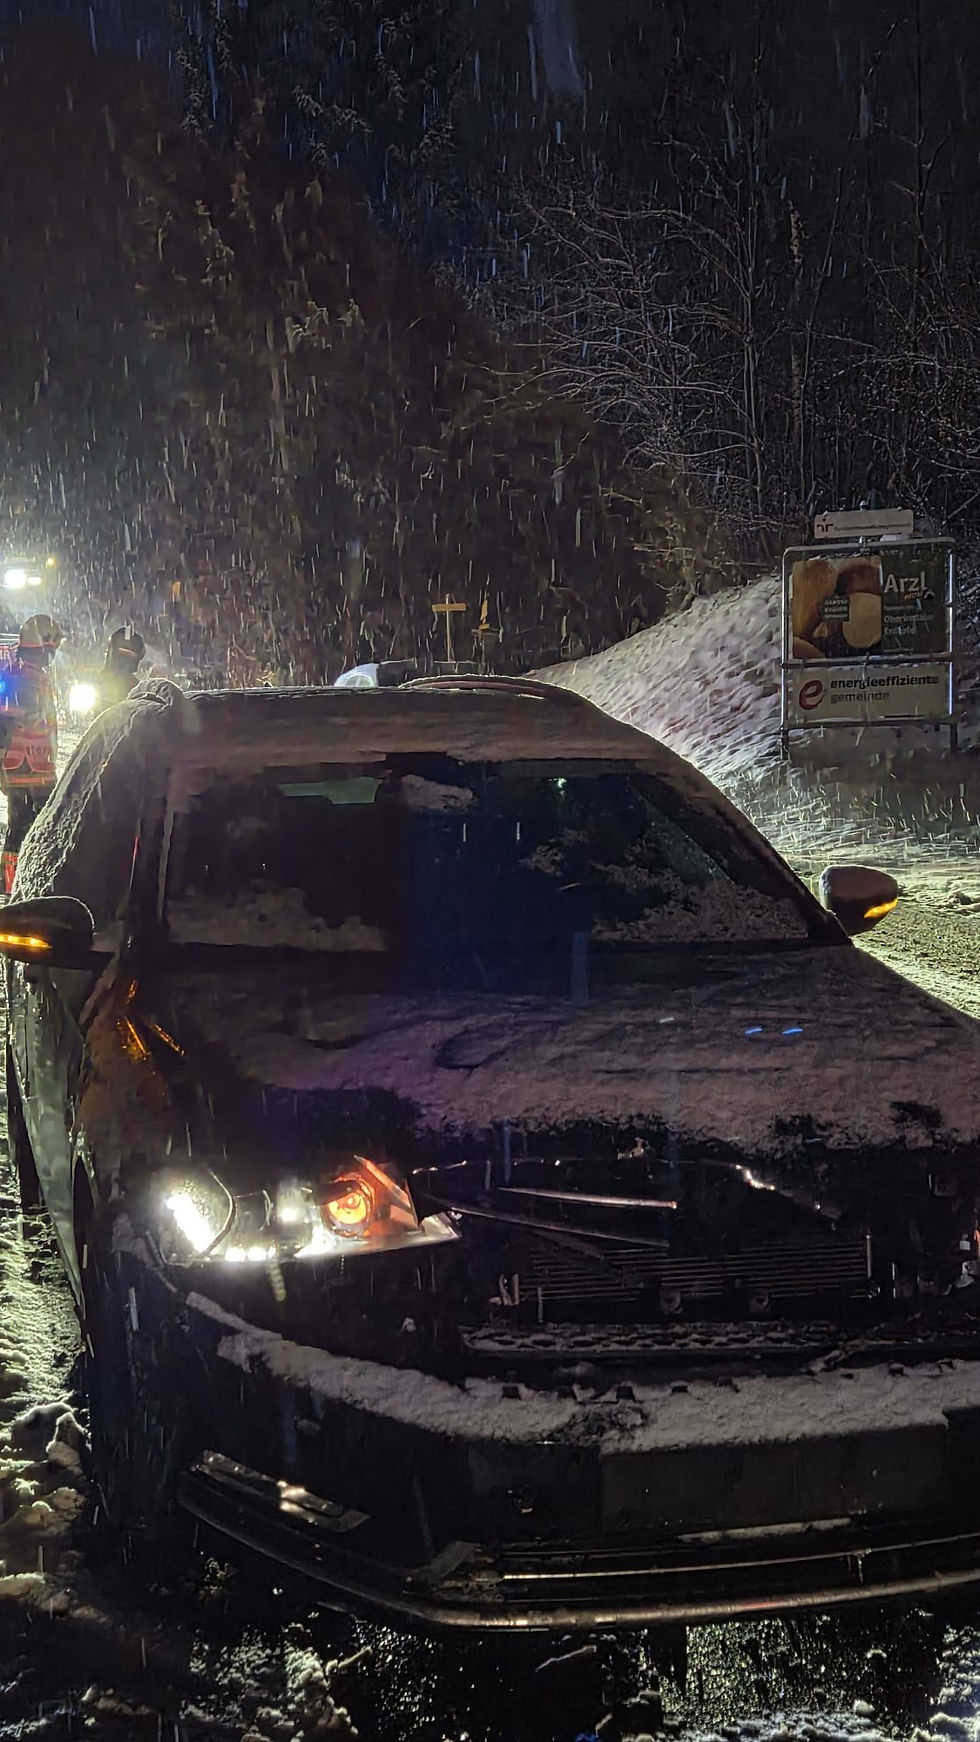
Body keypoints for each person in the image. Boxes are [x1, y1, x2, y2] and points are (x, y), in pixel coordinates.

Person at [0, 614, 63, 894]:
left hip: (33, 768)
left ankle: (16, 883)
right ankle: (14, 888)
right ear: (44, 645)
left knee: (27, 826)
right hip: (26, 768)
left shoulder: (29, 673)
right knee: (24, 827)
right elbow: (6, 722)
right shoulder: (24, 677)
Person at [100, 625, 145, 708]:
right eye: (113, 648)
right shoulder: (96, 682)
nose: (119, 654)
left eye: (126, 651)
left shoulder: (138, 688)